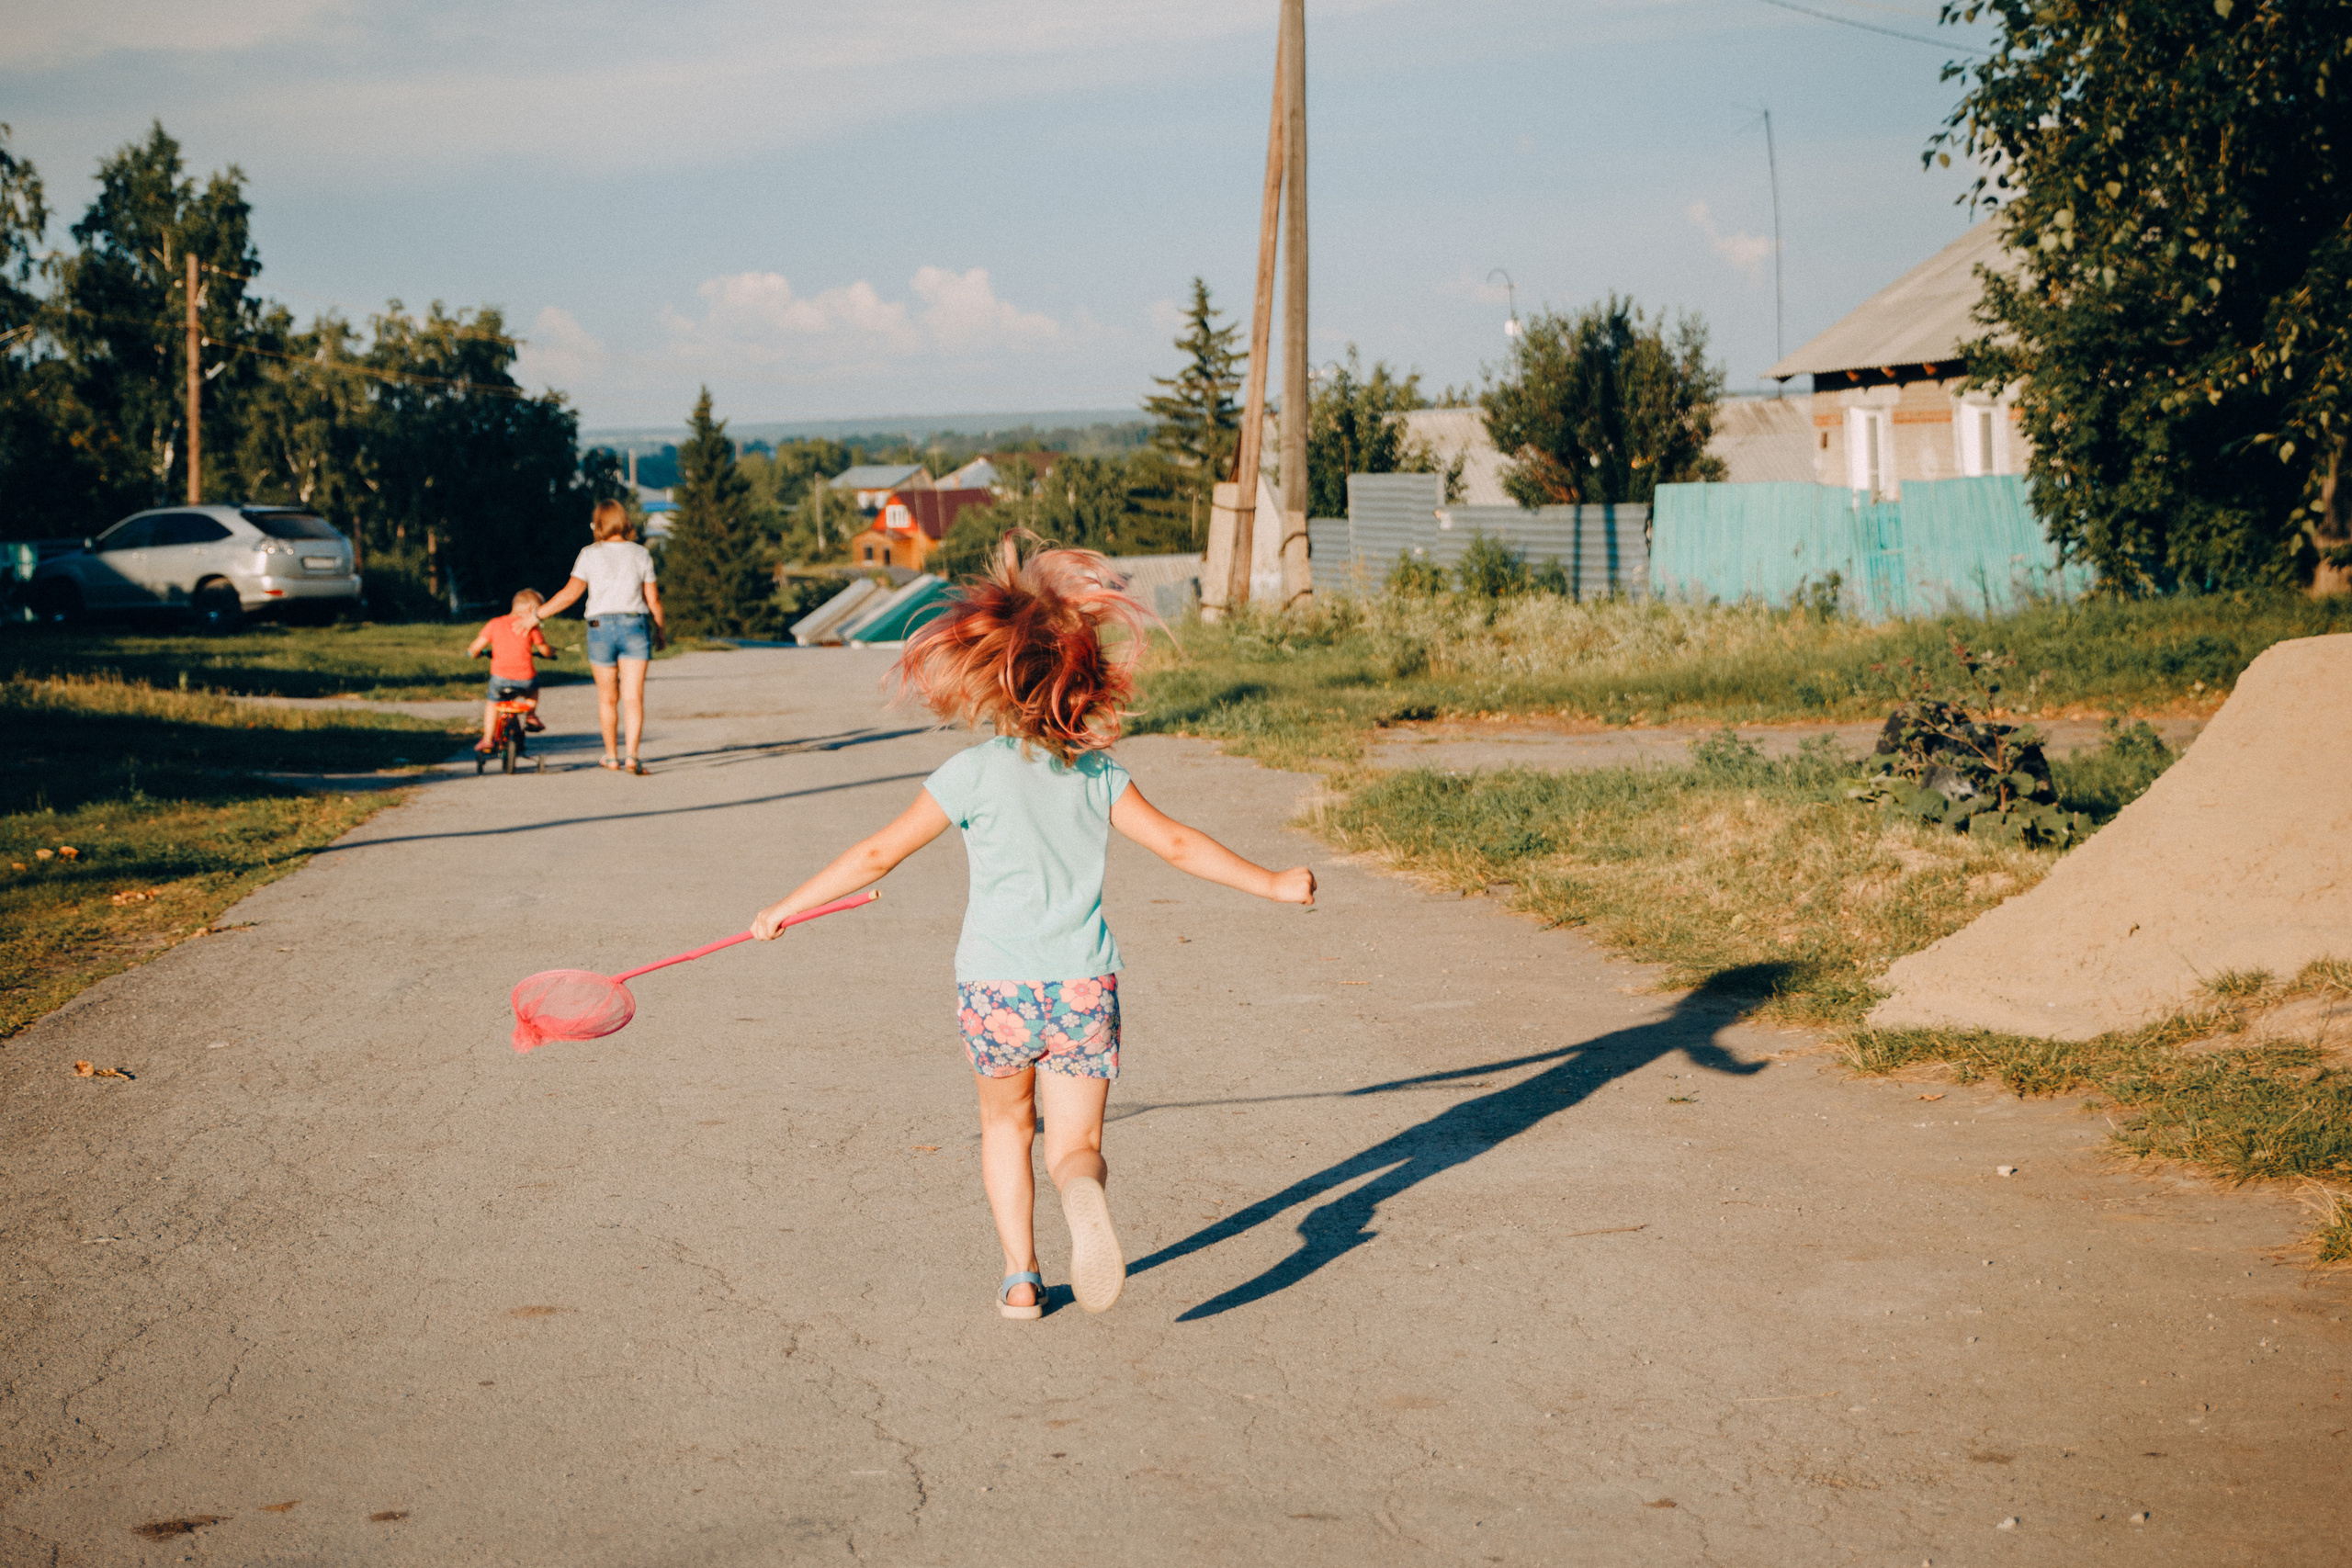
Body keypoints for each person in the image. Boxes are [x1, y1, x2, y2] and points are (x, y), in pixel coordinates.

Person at [747, 540, 1316, 1320]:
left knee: (1004, 1126)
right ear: (1080, 677)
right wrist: (1275, 883)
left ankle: (1021, 1276)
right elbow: (1179, 843)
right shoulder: (1098, 775)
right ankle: (1081, 1185)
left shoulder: (970, 774)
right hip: (1083, 981)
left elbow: (879, 852)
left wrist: (788, 905)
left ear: (994, 678)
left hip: (995, 985)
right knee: (1073, 1144)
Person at [523, 500, 665, 773]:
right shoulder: (640, 554)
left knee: (607, 697)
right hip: (634, 625)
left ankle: (611, 757)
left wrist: (536, 615)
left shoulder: (589, 554)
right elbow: (653, 599)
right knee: (633, 696)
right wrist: (659, 630)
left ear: (597, 525)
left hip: (600, 628)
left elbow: (570, 594)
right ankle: (632, 757)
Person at [468, 588, 555, 753]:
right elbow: (545, 651)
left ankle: (487, 740)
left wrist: (476, 654)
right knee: (533, 690)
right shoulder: (531, 627)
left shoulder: (495, 623)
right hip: (525, 679)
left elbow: (474, 649)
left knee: (493, 702)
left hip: (499, 679)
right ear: (531, 610)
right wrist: (552, 652)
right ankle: (531, 716)